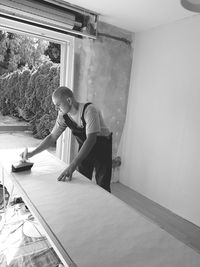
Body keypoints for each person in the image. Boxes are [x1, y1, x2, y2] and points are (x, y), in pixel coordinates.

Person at [21, 86, 112, 192]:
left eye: (58, 105)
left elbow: (91, 139)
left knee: (103, 184)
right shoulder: (63, 115)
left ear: (69, 100)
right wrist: (32, 153)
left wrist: (72, 165)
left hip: (102, 146)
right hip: (85, 146)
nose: (56, 108)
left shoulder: (89, 110)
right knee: (82, 181)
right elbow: (52, 137)